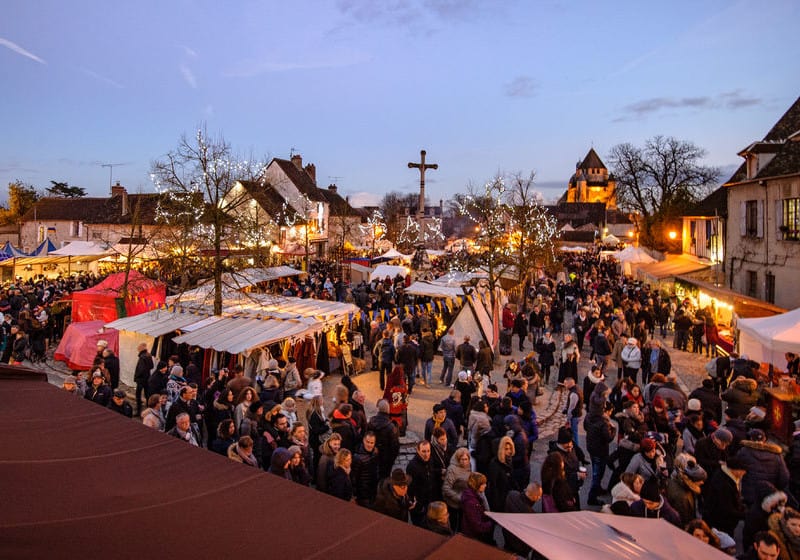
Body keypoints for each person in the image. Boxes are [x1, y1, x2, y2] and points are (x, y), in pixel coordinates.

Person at [736, 429, 791, 508]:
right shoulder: (776, 455)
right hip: (769, 495)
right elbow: (784, 478)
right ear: (764, 439)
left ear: (751, 439)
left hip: (749, 495)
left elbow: (735, 469)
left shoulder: (744, 452)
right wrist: (774, 489)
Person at [703, 456, 748, 538]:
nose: (744, 473)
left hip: (720, 522)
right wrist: (745, 515)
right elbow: (727, 509)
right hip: (720, 525)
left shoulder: (725, 476)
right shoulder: (724, 484)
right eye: (743, 470)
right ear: (735, 469)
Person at [585, 400, 616, 506]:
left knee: (596, 470)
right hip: (600, 450)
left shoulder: (589, 416)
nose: (610, 414)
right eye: (610, 411)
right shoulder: (604, 422)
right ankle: (592, 497)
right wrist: (613, 429)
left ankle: (597, 489)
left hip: (591, 447)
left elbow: (585, 427)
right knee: (597, 474)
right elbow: (608, 438)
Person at [503, 482, 542, 555]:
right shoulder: (531, 514)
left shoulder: (511, 494)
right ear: (534, 496)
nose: (540, 498)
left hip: (507, 535)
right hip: (520, 546)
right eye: (539, 496)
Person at [367, 399, 400, 480]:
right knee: (384, 477)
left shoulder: (371, 422)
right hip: (386, 459)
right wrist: (391, 460)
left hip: (372, 455)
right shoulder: (391, 427)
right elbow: (395, 447)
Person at [407, 440, 436, 526]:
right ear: (418, 451)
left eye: (428, 451)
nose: (426, 454)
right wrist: (417, 507)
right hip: (419, 505)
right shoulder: (412, 466)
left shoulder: (430, 460)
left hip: (429, 501)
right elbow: (410, 488)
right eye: (423, 451)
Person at [443, 448, 472, 531]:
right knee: (453, 525)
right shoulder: (452, 469)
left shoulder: (469, 466)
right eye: (462, 459)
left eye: (466, 459)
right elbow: (446, 488)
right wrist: (459, 498)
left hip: (464, 503)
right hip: (454, 503)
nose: (464, 462)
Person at [460, 472, 493, 544]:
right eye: (483, 484)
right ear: (477, 485)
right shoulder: (471, 502)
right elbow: (476, 525)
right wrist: (490, 524)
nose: (485, 485)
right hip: (473, 536)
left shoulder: (476, 495)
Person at [487, 435, 517, 513]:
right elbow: (493, 486)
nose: (509, 451)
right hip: (500, 500)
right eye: (506, 449)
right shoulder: (494, 464)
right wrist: (497, 505)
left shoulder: (509, 460)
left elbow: (512, 478)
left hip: (508, 497)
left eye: (510, 448)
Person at [351, 432, 380, 507]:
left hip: (373, 488)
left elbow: (377, 467)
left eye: (372, 443)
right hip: (363, 492)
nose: (369, 445)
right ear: (363, 440)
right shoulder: (357, 457)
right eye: (367, 442)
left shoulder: (375, 451)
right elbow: (354, 477)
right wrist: (354, 494)